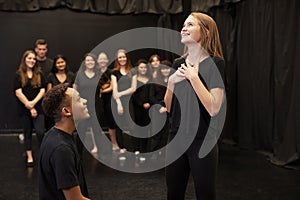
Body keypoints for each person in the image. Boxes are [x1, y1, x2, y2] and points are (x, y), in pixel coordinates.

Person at [164, 12, 226, 200]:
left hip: (202, 141)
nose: (184, 28)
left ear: (205, 32)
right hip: (176, 139)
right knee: (173, 193)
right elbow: (168, 107)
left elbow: (214, 108)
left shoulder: (216, 63)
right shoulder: (177, 63)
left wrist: (194, 78)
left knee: (205, 194)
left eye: (190, 25)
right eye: (183, 24)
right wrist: (171, 82)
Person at [40, 83, 90, 200]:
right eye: (78, 99)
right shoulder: (62, 149)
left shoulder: (53, 135)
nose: (85, 100)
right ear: (67, 111)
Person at [13, 50, 46, 167]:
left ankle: (43, 155)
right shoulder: (18, 74)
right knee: (27, 133)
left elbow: (43, 90)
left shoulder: (39, 73)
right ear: (24, 59)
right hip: (24, 109)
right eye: (29, 58)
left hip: (38, 108)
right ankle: (30, 156)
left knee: (40, 131)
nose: (32, 61)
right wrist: (29, 105)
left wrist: (33, 104)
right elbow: (18, 92)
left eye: (33, 59)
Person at [111, 49, 137, 152]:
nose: (122, 59)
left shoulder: (133, 71)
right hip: (117, 102)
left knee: (132, 125)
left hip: (129, 101)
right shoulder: (114, 72)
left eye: (123, 57)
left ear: (127, 58)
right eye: (120, 57)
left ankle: (135, 149)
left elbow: (133, 89)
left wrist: (120, 94)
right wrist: (119, 104)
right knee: (119, 125)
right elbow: (114, 91)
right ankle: (122, 147)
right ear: (117, 59)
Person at [75, 53, 100, 154]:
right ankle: (78, 150)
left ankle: (97, 147)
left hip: (95, 105)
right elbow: (74, 90)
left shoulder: (99, 74)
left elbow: (107, 85)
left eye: (92, 60)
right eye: (88, 60)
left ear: (95, 62)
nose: (90, 62)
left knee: (96, 128)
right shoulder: (80, 74)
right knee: (81, 128)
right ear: (84, 62)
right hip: (83, 106)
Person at [96, 52, 120, 151]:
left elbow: (112, 87)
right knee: (95, 124)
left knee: (111, 122)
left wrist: (102, 90)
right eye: (100, 59)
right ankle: (97, 146)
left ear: (107, 60)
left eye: (104, 59)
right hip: (97, 101)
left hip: (108, 100)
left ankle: (114, 144)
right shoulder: (95, 72)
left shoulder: (111, 72)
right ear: (97, 61)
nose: (102, 60)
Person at [45, 54, 76, 130]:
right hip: (55, 107)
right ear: (55, 65)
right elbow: (49, 94)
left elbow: (75, 92)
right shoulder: (51, 76)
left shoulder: (71, 75)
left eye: (62, 62)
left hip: (68, 107)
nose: (60, 64)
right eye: (58, 63)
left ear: (65, 63)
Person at [149, 60, 173, 153]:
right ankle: (153, 154)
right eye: (163, 69)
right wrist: (160, 107)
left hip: (170, 109)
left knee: (168, 132)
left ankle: (165, 153)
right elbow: (151, 97)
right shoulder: (154, 81)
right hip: (157, 109)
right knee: (156, 132)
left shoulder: (174, 80)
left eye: (167, 69)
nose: (165, 71)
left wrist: (168, 107)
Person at [131, 59, 151, 154]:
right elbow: (133, 95)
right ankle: (136, 149)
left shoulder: (150, 79)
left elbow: (151, 93)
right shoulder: (135, 79)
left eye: (145, 67)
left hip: (148, 108)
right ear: (138, 68)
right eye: (141, 67)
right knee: (137, 128)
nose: (143, 69)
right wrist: (142, 104)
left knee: (146, 129)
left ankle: (144, 150)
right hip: (138, 107)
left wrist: (149, 103)